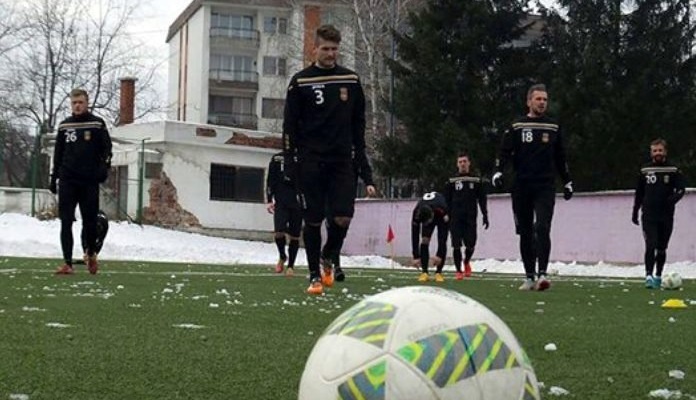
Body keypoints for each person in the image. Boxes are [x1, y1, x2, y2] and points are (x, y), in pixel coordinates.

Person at [282, 25, 370, 295]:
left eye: (334, 49)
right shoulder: (300, 82)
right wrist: (289, 160)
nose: (331, 54)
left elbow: (359, 125)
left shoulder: (351, 80)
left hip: (342, 161)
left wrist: (363, 164)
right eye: (326, 49)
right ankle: (313, 277)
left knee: (343, 217)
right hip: (310, 160)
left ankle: (328, 254)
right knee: (313, 219)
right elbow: (289, 126)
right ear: (315, 49)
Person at [492, 83, 572, 291]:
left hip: (545, 185)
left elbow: (560, 156)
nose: (542, 103)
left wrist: (567, 181)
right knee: (525, 231)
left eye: (545, 99)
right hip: (521, 185)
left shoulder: (553, 126)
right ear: (529, 101)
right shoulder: (517, 125)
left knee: (542, 227)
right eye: (538, 99)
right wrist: (498, 172)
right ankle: (529, 275)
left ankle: (543, 274)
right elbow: (505, 152)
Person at [51, 88, 113, 275]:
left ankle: (91, 253)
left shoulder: (96, 124)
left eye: (80, 102)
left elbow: (106, 149)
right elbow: (58, 154)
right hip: (68, 180)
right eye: (74, 103)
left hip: (89, 181)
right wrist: (54, 177)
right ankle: (67, 263)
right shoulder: (64, 126)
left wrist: (103, 168)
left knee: (90, 221)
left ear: (87, 103)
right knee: (66, 221)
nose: (77, 106)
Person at [632, 139, 686, 289]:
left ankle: (658, 275)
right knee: (651, 244)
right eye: (655, 151)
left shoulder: (673, 169)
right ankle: (648, 275)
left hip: (666, 215)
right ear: (651, 153)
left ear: (665, 152)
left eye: (660, 150)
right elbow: (639, 192)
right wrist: (635, 211)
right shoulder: (645, 170)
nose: (657, 154)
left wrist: (672, 200)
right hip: (649, 214)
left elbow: (681, 189)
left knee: (662, 247)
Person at [322, 148, 377, 282]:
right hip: (331, 190)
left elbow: (363, 164)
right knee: (335, 224)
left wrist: (369, 182)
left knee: (343, 225)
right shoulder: (330, 142)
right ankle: (336, 266)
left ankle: (326, 255)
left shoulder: (353, 147)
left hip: (348, 192)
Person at [444, 152, 489, 280]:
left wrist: (485, 214)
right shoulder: (451, 180)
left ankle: (466, 261)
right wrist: (446, 214)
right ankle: (458, 270)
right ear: (457, 164)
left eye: (464, 161)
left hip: (470, 217)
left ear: (469, 163)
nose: (462, 164)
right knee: (456, 245)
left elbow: (482, 199)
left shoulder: (476, 180)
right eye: (460, 162)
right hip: (455, 217)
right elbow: (446, 199)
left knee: (471, 244)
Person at [266, 152, 303, 277]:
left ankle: (291, 266)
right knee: (279, 231)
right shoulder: (277, 158)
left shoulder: (303, 157)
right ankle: (282, 256)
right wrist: (269, 199)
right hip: (281, 201)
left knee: (295, 235)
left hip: (297, 202)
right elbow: (270, 179)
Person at [411, 191, 449, 283]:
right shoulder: (416, 213)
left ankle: (438, 272)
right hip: (428, 212)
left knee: (441, 240)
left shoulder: (442, 209)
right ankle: (424, 272)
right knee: (424, 240)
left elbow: (444, 235)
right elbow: (414, 234)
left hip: (440, 216)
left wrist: (440, 254)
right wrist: (416, 256)